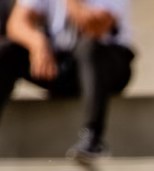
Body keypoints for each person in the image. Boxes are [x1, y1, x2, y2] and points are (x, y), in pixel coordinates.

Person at [0, 0, 135, 162]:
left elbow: (95, 28)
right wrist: (38, 43)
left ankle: (92, 138)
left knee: (88, 48)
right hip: (63, 64)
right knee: (6, 51)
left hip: (108, 66)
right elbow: (16, 23)